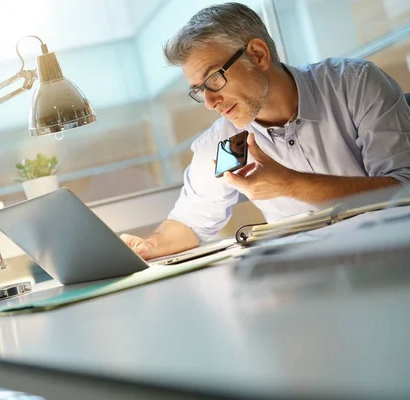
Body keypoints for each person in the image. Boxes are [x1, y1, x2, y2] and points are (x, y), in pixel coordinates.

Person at [121, 2, 410, 260]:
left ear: (258, 55)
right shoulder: (227, 142)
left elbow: (403, 187)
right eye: (198, 90)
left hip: (392, 257)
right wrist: (148, 245)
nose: (209, 102)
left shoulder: (353, 86)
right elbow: (191, 222)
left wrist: (290, 183)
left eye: (213, 79)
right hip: (309, 281)